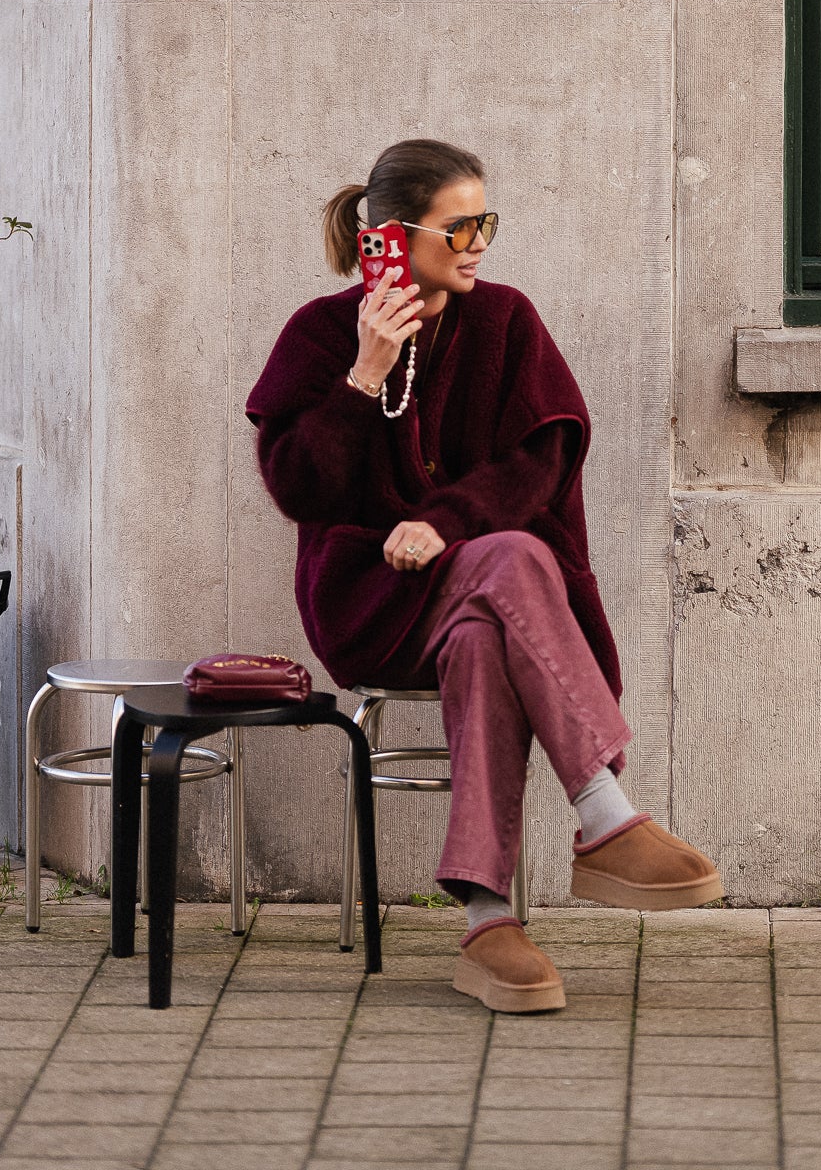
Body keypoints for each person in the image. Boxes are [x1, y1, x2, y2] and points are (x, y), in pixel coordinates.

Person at [246, 138, 722, 1013]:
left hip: (487, 602)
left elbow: (542, 461)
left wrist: (443, 522)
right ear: (388, 238)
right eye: (458, 227)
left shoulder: (505, 321)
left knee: (482, 627)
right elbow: (296, 487)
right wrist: (365, 374)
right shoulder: (319, 335)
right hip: (370, 603)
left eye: (485, 224)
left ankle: (488, 921)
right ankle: (603, 808)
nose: (477, 244)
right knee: (512, 555)